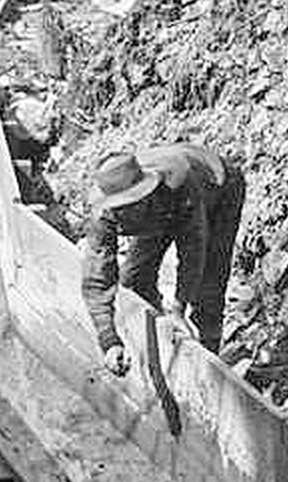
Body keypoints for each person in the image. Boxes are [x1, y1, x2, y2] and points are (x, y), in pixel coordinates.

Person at [81, 143, 245, 375]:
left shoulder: (179, 189)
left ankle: (208, 359)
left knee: (208, 286)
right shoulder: (103, 216)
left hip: (218, 188)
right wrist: (109, 341)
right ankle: (158, 345)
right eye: (121, 209)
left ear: (144, 194)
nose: (125, 214)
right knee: (134, 281)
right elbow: (97, 280)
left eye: (132, 205)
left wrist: (179, 307)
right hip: (160, 210)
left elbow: (193, 251)